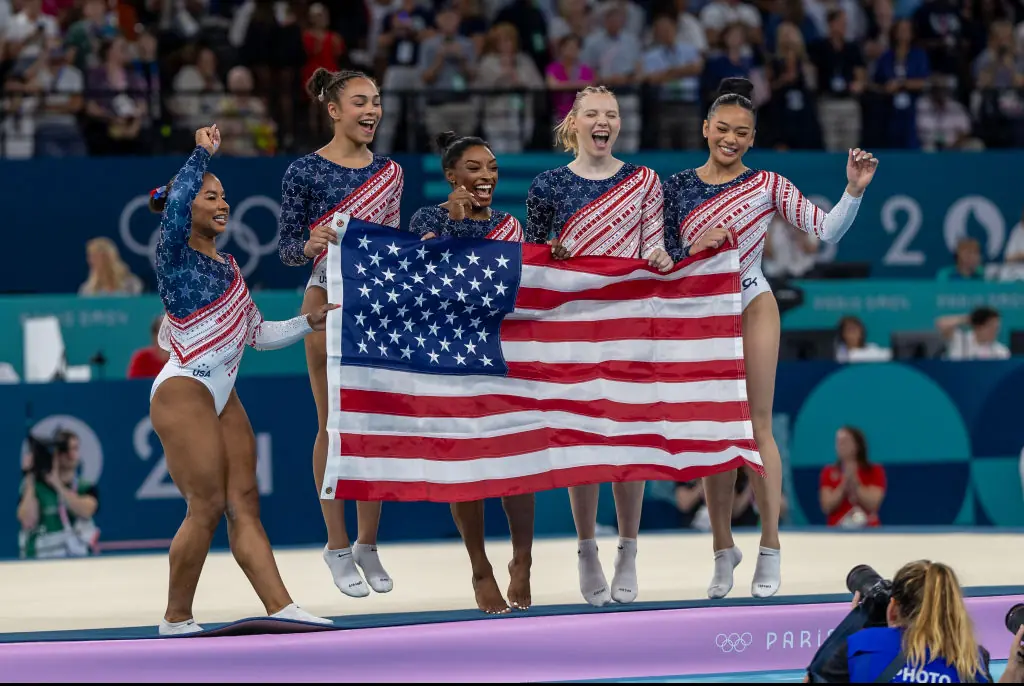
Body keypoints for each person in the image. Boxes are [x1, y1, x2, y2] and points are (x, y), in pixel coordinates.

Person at [662, 77, 878, 600]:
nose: (730, 139)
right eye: (723, 129)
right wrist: (694, 248)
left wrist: (853, 189)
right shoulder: (674, 188)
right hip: (703, 311)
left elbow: (824, 231)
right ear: (705, 129)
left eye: (742, 132)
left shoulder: (766, 186)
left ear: (752, 138)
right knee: (717, 435)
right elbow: (661, 257)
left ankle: (770, 545)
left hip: (753, 300)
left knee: (757, 426)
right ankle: (721, 548)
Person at [150, 125, 333, 636]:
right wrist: (201, 153)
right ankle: (176, 618)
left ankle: (282, 606)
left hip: (222, 393)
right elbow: (178, 197)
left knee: (243, 502)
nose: (222, 203)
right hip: (183, 386)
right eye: (211, 196)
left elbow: (257, 334)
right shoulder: (175, 256)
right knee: (205, 504)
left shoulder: (230, 268)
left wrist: (308, 323)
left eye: (225, 197)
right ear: (186, 210)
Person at [524, 85, 673, 608]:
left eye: (611, 114)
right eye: (593, 114)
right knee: (583, 439)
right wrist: (550, 254)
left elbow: (655, 243)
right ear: (575, 123)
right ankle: (586, 545)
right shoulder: (547, 185)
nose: (603, 121)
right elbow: (532, 256)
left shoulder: (644, 181)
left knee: (629, 443)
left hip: (628, 323)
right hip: (573, 326)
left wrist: (658, 256)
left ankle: (628, 549)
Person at [278, 68, 404, 600]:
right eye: (360, 101)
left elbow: (395, 248)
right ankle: (334, 543)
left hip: (378, 303)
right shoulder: (304, 172)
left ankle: (367, 543)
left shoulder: (391, 172)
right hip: (326, 300)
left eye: (376, 100)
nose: (371, 110)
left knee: (372, 425)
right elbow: (286, 250)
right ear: (334, 110)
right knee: (332, 423)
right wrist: (310, 243)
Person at [409, 131, 531, 615]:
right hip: (452, 353)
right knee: (468, 465)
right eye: (475, 168)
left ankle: (522, 561)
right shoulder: (427, 218)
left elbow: (523, 282)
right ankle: (480, 567)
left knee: (516, 463)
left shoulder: (509, 225)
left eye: (493, 169)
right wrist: (454, 226)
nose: (486, 177)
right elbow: (428, 273)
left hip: (505, 349)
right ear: (451, 176)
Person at [813, 561, 996, 683]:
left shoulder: (861, 646)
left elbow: (814, 678)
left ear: (892, 608)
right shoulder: (973, 659)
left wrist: (856, 621)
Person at [17, 430, 99, 560]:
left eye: (75, 449)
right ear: (55, 454)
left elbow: (86, 511)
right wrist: (30, 476)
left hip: (75, 560)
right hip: (40, 560)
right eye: (65, 450)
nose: (71, 455)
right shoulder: (35, 489)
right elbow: (28, 520)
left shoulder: (85, 487)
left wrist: (58, 485)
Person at [819, 426, 886, 528]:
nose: (840, 445)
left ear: (857, 445)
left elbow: (873, 504)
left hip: (869, 530)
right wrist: (843, 485)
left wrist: (856, 484)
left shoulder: (875, 470)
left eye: (845, 441)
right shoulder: (828, 472)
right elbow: (827, 506)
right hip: (837, 530)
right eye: (838, 442)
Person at [127, 315, 170, 379]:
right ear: (154, 336)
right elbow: (133, 386)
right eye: (164, 331)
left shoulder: (183, 361)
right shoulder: (141, 358)